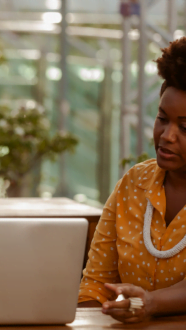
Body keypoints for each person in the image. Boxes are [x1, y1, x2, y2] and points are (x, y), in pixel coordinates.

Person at [78, 37, 186, 323]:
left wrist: (149, 302)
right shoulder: (134, 183)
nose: (167, 135)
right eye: (162, 118)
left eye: (185, 128)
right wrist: (90, 314)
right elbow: (95, 283)